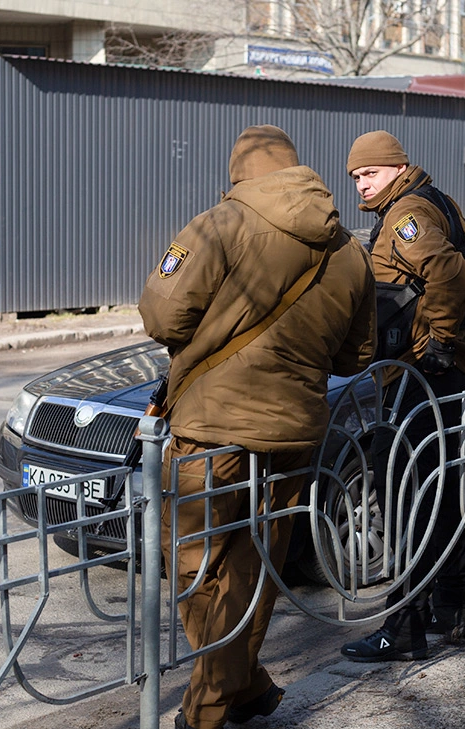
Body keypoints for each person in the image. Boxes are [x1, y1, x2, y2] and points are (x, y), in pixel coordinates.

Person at [138, 125, 376, 729]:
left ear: (239, 172)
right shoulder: (349, 250)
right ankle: (245, 686)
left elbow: (162, 318)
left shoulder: (220, 224)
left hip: (210, 429)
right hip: (294, 434)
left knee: (192, 562)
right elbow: (357, 355)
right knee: (252, 568)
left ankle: (207, 710)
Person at [339, 130, 465, 662]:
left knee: (405, 495)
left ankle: (403, 626)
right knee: (439, 490)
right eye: (356, 176)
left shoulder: (406, 214)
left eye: (370, 173)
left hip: (421, 374)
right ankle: (451, 609)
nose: (362, 184)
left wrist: (442, 342)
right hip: (437, 374)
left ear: (397, 167)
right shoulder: (437, 201)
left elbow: (452, 273)